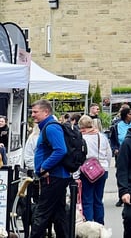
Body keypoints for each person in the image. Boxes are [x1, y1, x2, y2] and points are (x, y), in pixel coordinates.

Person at [29, 99, 71, 238]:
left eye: (36, 112)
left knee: (42, 213)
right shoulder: (48, 127)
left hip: (52, 177)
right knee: (59, 214)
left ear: (46, 112)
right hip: (57, 176)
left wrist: (44, 167)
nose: (33, 115)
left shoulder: (51, 127)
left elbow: (60, 150)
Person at [78, 114, 113, 224]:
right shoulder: (101, 136)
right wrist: (104, 165)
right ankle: (100, 224)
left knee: (87, 200)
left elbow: (78, 156)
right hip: (101, 170)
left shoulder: (81, 138)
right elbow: (109, 154)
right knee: (98, 200)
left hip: (86, 171)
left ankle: (89, 224)